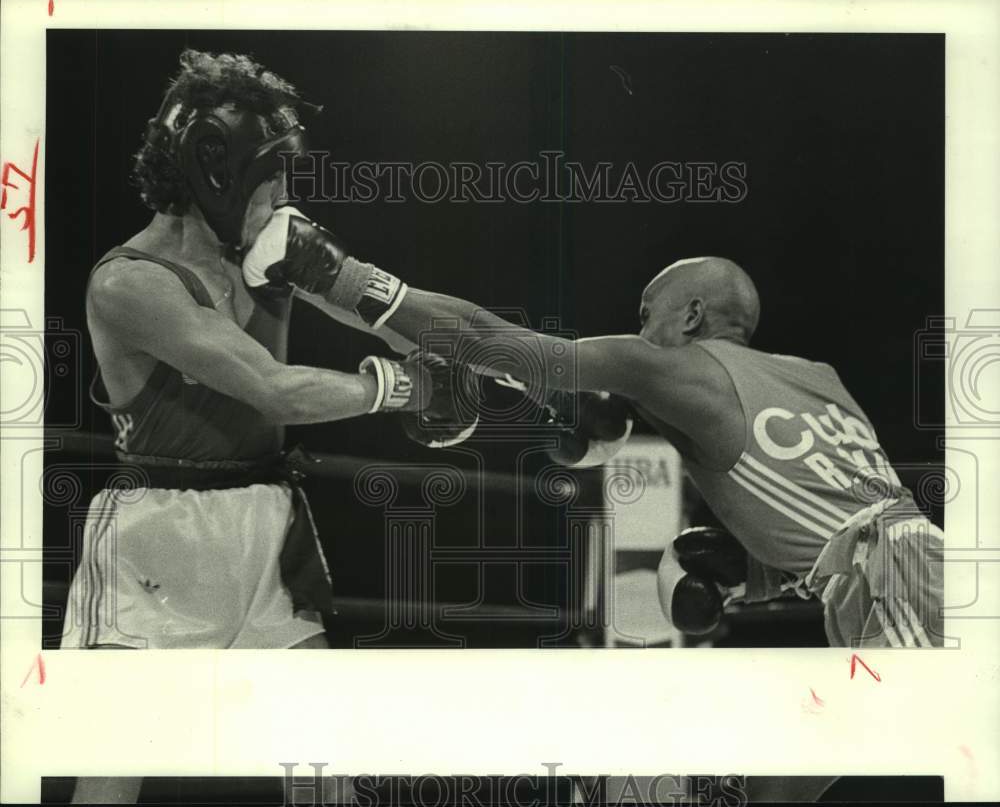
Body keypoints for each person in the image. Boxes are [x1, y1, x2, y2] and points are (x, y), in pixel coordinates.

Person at [62, 50, 474, 803]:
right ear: (215, 168)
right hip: (160, 528)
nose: (286, 192)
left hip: (265, 519)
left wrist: (469, 356)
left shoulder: (271, 249)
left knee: (324, 762)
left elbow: (380, 311)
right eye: (272, 172)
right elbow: (272, 388)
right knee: (114, 769)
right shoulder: (129, 283)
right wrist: (406, 387)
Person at [247, 232, 944, 650]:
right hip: (912, 567)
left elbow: (495, 342)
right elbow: (837, 509)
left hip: (895, 584)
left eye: (647, 315)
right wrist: (754, 571)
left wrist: (333, 274)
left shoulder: (666, 366)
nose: (637, 331)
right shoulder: (819, 378)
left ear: (692, 314)